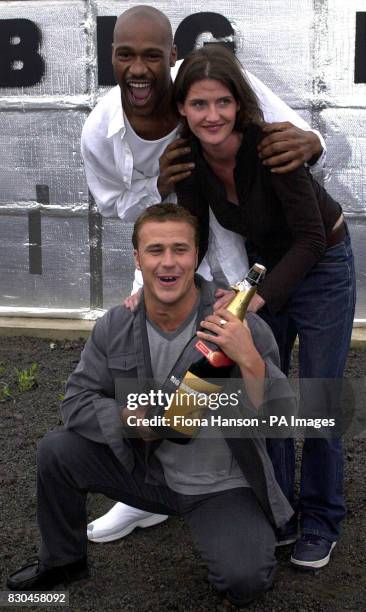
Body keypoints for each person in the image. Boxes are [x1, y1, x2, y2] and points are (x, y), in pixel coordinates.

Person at [82, 4, 326, 542]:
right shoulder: (100, 132)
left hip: (247, 261)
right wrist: (155, 191)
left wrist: (315, 143)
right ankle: (143, 493)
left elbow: (295, 133)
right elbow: (120, 208)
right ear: (112, 58)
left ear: (172, 57)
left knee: (254, 379)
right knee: (153, 363)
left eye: (151, 55)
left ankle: (255, 495)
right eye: (125, 55)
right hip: (179, 255)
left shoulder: (208, 78)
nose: (139, 69)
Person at [7, 205, 295, 608]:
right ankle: (64, 561)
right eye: (155, 250)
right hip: (148, 472)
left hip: (221, 487)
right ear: (137, 259)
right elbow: (76, 401)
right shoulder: (117, 324)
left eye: (180, 249)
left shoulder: (237, 324)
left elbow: (283, 420)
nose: (168, 261)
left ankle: (235, 542)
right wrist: (127, 420)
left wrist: (249, 359)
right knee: (57, 450)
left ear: (197, 257)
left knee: (245, 581)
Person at [170, 44, 356, 570]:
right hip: (265, 272)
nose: (212, 116)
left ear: (240, 104)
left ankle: (322, 517)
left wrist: (255, 300)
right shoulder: (189, 162)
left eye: (223, 103)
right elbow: (195, 235)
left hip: (321, 267)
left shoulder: (271, 147)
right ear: (182, 108)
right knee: (264, 387)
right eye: (199, 104)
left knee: (319, 396)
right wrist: (168, 289)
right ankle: (283, 510)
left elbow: (312, 240)